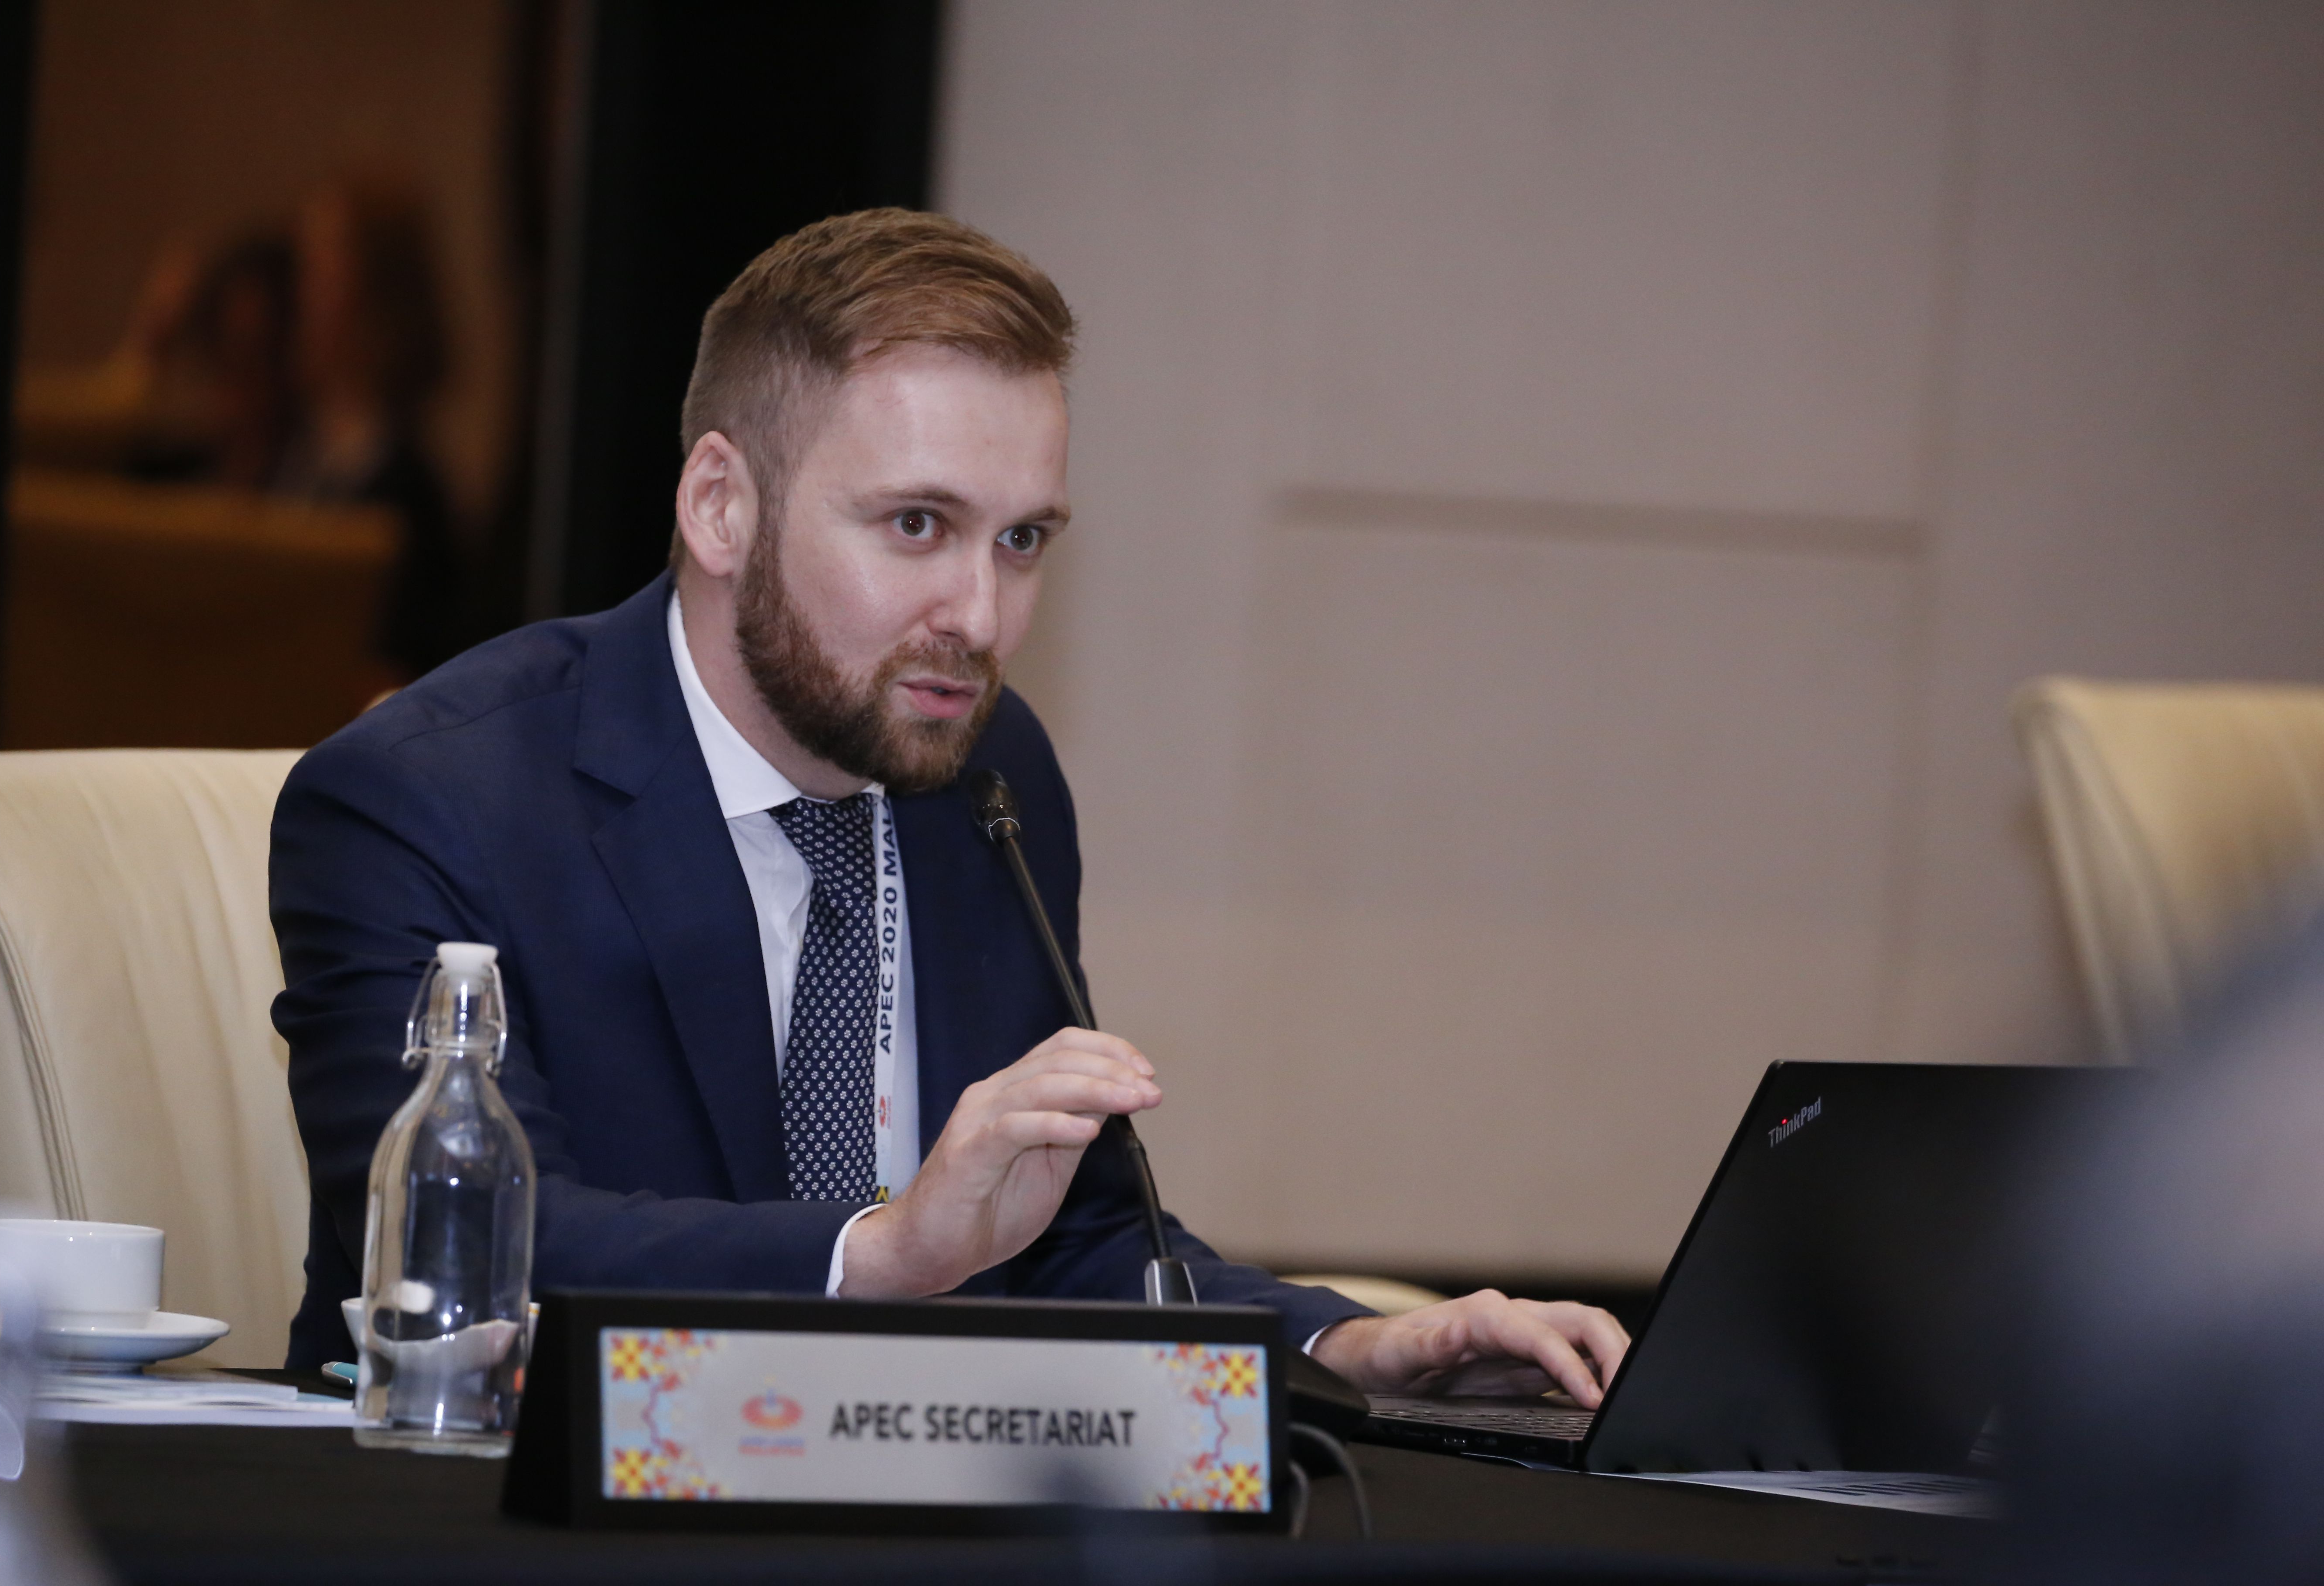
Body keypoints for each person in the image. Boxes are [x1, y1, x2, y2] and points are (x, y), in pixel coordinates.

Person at [272, 209, 1628, 1399]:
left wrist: (1344, 1345)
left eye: (1021, 540)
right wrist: (882, 1253)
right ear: (721, 507)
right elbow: (471, 1242)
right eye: (917, 525)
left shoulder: (990, 774)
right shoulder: (427, 799)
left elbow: (1067, 1240)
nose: (979, 618)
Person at [276, 174, 464, 677]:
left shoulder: (407, 496)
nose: (300, 298)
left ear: (379, 296)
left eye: (321, 270)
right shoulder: (301, 455)